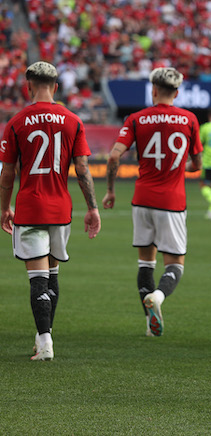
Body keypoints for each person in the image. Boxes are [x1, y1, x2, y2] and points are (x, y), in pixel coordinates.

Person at [0, 61, 101, 361]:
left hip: (30, 207)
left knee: (37, 278)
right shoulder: (73, 121)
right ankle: (45, 335)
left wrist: (4, 207)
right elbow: (82, 169)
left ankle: (44, 343)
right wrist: (92, 208)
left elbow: (7, 174)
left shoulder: (16, 122)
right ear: (56, 86)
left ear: (28, 86)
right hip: (61, 208)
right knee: (52, 274)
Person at [102, 67, 202, 337]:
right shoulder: (189, 119)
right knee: (175, 264)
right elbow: (196, 165)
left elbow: (113, 157)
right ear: (178, 92)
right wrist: (176, 167)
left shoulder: (136, 119)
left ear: (153, 90)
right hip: (172, 200)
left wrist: (110, 191)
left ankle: (150, 325)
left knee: (146, 263)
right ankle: (158, 296)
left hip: (142, 198)